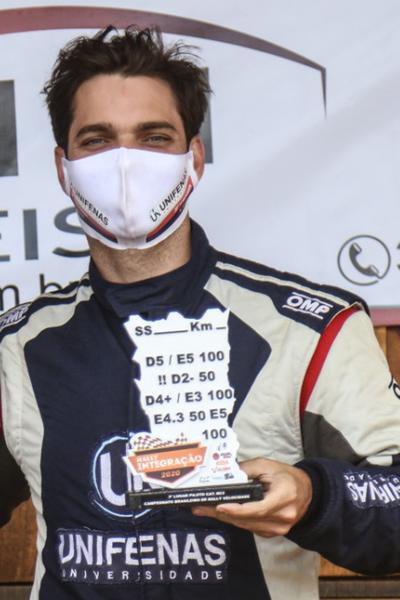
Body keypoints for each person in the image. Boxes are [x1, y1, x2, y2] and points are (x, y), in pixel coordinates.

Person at [1, 25, 400, 600]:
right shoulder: (15, 346)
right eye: (96, 140)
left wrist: (313, 496)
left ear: (194, 159)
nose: (125, 163)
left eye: (153, 137)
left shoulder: (310, 331)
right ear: (63, 169)